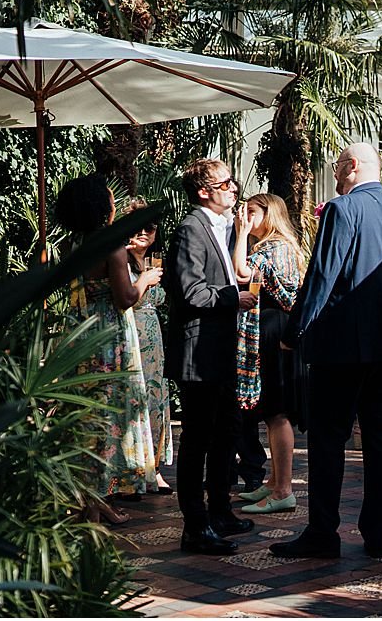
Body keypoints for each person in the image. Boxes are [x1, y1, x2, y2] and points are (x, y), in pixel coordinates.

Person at [270, 142, 382, 561]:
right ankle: (378, 533)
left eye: (338, 166)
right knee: (380, 434)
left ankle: (323, 532)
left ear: (353, 167)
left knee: (328, 438)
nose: (335, 174)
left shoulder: (342, 209)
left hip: (343, 344)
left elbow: (323, 273)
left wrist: (294, 330)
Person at [163, 159, 258, 555]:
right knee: (198, 437)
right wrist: (236, 298)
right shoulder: (190, 229)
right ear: (204, 191)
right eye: (226, 184)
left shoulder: (223, 227)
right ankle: (194, 525)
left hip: (221, 348)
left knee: (227, 430)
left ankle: (220, 510)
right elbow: (191, 291)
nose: (234, 189)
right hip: (198, 349)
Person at [55, 174, 153, 525]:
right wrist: (145, 279)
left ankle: (93, 501)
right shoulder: (111, 246)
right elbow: (124, 298)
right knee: (108, 419)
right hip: (109, 338)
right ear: (100, 208)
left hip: (78, 335)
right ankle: (94, 503)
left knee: (85, 419)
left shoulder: (68, 245)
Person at [231, 193, 305, 513]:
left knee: (277, 412)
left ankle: (283, 490)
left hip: (276, 331)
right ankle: (274, 483)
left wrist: (240, 235)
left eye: (251, 212)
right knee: (274, 410)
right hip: (278, 328)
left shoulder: (270, 248)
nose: (245, 217)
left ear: (269, 214)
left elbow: (240, 274)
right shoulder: (286, 247)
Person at [121, 197, 173, 496]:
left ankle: (154, 468)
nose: (144, 233)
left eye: (150, 228)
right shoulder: (120, 259)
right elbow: (126, 298)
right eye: (137, 227)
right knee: (134, 398)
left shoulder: (152, 261)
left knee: (155, 397)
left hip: (153, 337)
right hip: (131, 333)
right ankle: (132, 470)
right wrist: (145, 279)